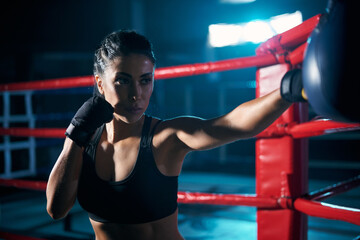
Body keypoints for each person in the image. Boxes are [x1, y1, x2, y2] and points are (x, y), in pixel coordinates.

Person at [46, 30, 301, 240]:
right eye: (123, 81)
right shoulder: (84, 142)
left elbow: (231, 125)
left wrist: (288, 90)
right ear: (100, 84)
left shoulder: (165, 138)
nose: (136, 94)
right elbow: (56, 210)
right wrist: (74, 136)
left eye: (145, 80)